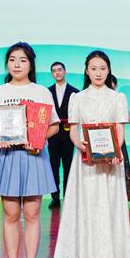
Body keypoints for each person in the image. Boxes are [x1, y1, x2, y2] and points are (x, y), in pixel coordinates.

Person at [0, 42, 60, 258]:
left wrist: (39, 139)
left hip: (34, 156)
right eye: (12, 60)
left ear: (31, 64)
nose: (17, 65)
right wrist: (1, 137)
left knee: (32, 214)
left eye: (22, 60)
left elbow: (54, 125)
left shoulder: (41, 92)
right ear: (7, 63)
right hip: (8, 157)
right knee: (11, 215)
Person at [53, 51, 130, 258]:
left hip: (110, 165)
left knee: (109, 210)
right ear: (87, 71)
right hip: (86, 163)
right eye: (94, 68)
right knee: (90, 210)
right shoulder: (77, 98)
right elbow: (74, 129)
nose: (98, 73)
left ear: (109, 71)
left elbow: (119, 130)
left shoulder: (118, 98)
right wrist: (81, 146)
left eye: (103, 68)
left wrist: (114, 151)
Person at [47, 61, 79, 208]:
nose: (57, 73)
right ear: (52, 74)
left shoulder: (75, 92)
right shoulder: (47, 92)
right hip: (52, 134)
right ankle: (55, 197)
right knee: (53, 165)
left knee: (68, 165)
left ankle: (68, 196)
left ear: (64, 71)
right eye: (54, 71)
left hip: (68, 134)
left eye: (59, 70)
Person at [111, 74, 130, 201]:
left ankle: (122, 195)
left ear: (115, 85)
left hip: (118, 136)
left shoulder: (119, 98)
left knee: (121, 165)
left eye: (112, 83)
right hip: (105, 136)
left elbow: (128, 119)